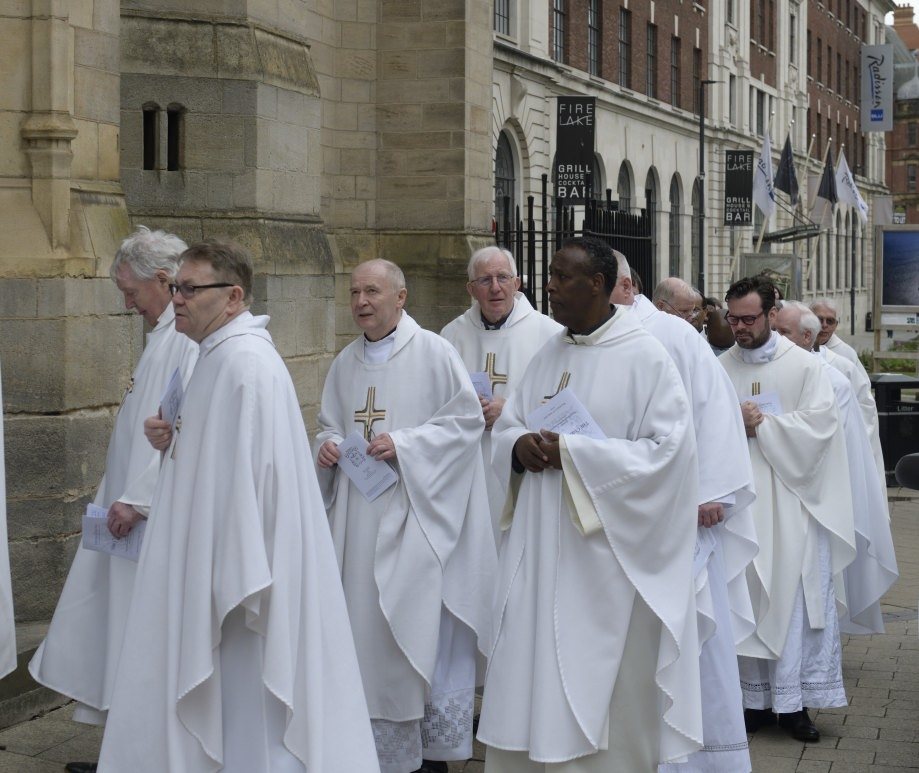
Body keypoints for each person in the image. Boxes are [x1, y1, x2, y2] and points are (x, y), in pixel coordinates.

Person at [97, 240, 379, 773]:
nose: (177, 299)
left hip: (239, 573)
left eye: (189, 288)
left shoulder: (244, 365)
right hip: (208, 558)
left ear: (232, 297)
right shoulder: (214, 354)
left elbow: (251, 484)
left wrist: (224, 576)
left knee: (247, 705)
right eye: (176, 287)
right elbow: (214, 459)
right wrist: (171, 439)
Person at [479, 237, 703, 772]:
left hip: (607, 565)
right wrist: (517, 445)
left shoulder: (645, 357)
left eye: (562, 277)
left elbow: (669, 455)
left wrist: (575, 455)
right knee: (530, 670)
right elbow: (510, 424)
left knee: (605, 693)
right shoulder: (549, 352)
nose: (549, 287)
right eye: (551, 276)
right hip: (539, 554)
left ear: (598, 284)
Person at [29, 227, 198, 773]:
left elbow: (181, 429)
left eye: (130, 292)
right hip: (127, 516)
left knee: (143, 636)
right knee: (121, 631)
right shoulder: (164, 335)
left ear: (164, 280)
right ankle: (127, 753)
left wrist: (138, 499)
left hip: (148, 517)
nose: (127, 304)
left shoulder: (185, 339)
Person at [316, 259, 495, 773]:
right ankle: (369, 749)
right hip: (358, 520)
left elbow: (464, 424)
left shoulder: (435, 353)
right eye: (354, 292)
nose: (360, 302)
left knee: (413, 628)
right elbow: (328, 423)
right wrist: (326, 446)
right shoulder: (344, 362)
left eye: (372, 291)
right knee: (363, 629)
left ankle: (426, 756)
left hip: (417, 518)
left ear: (401, 297)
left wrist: (406, 444)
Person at [612, 262, 758, 773]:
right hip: (620, 517)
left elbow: (713, 412)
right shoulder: (587, 339)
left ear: (624, 286)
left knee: (686, 641)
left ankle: (694, 759)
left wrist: (711, 491)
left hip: (681, 516)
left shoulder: (672, 335)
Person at [719, 277, 855, 743]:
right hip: (740, 507)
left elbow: (821, 428)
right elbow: (697, 427)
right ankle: (753, 702)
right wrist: (731, 421)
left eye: (749, 319)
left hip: (794, 504)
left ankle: (794, 706)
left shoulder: (804, 366)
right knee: (746, 599)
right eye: (733, 318)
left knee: (793, 602)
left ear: (772, 314)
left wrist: (763, 425)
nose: (739, 327)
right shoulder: (718, 368)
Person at [775, 302, 898, 636]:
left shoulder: (839, 367)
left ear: (807, 335)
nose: (826, 325)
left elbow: (860, 416)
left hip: (821, 481)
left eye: (831, 320)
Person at [441, 246, 562, 542]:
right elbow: (437, 402)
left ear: (517, 283)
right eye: (485, 280)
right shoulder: (451, 336)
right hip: (468, 461)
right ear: (471, 289)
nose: (495, 287)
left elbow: (561, 405)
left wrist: (509, 410)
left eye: (503, 278)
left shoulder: (549, 335)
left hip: (522, 461)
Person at [810, 298, 885, 485]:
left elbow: (864, 400)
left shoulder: (845, 355)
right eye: (819, 319)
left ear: (836, 324)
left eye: (830, 321)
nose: (824, 325)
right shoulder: (798, 347)